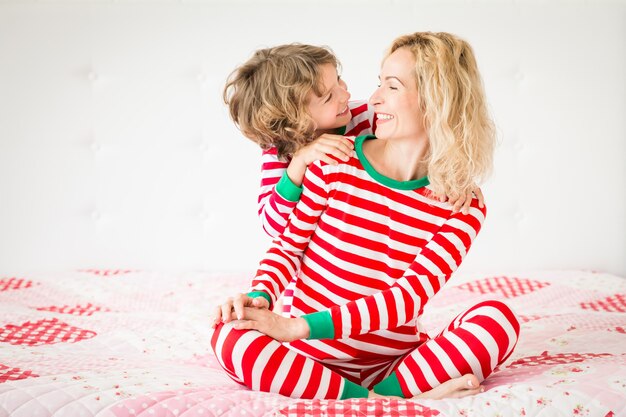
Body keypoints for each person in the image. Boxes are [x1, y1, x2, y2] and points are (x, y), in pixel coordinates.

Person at [212, 32, 519, 400]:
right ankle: (383, 401)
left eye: (390, 86)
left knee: (497, 320)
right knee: (229, 334)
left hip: (393, 361)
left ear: (438, 101)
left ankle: (363, 395)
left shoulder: (463, 204)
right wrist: (261, 298)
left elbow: (406, 299)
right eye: (378, 84)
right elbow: (286, 247)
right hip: (310, 356)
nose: (371, 99)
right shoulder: (332, 159)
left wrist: (295, 326)